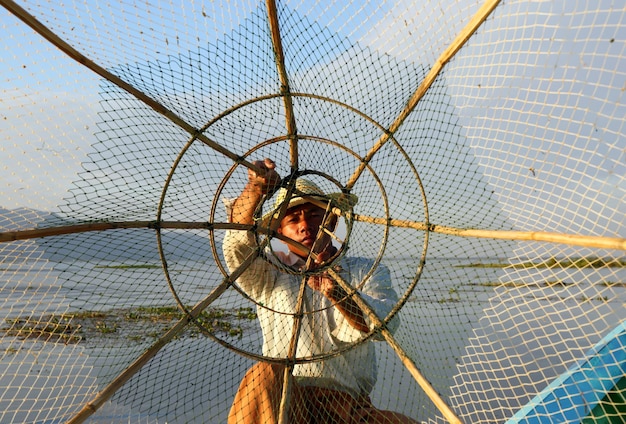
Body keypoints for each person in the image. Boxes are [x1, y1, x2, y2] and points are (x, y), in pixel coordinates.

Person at [223, 158, 418, 423]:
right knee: (264, 374)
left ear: (332, 219)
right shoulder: (270, 270)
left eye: (314, 214)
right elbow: (237, 244)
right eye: (293, 219)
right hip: (286, 401)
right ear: (280, 232)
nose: (305, 225)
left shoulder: (365, 271)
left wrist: (338, 293)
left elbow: (384, 325)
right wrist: (255, 190)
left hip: (347, 407)